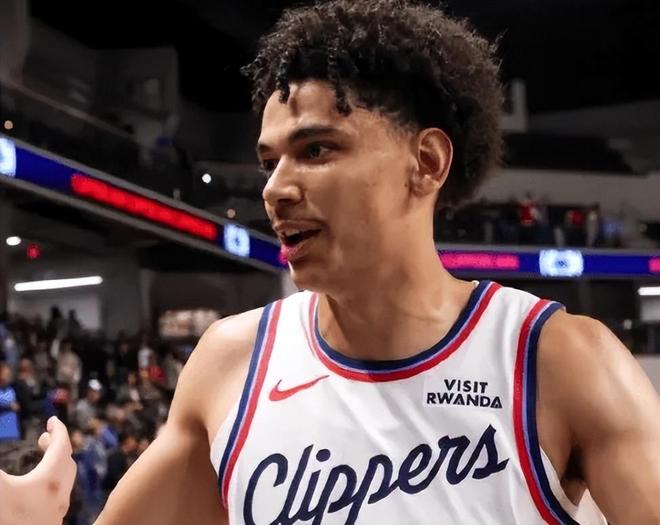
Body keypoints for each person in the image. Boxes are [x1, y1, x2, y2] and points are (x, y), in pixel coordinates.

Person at [3, 1, 660, 524]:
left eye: (316, 150)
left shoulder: (560, 359)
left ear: (426, 162)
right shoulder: (231, 362)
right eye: (269, 161)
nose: (275, 189)